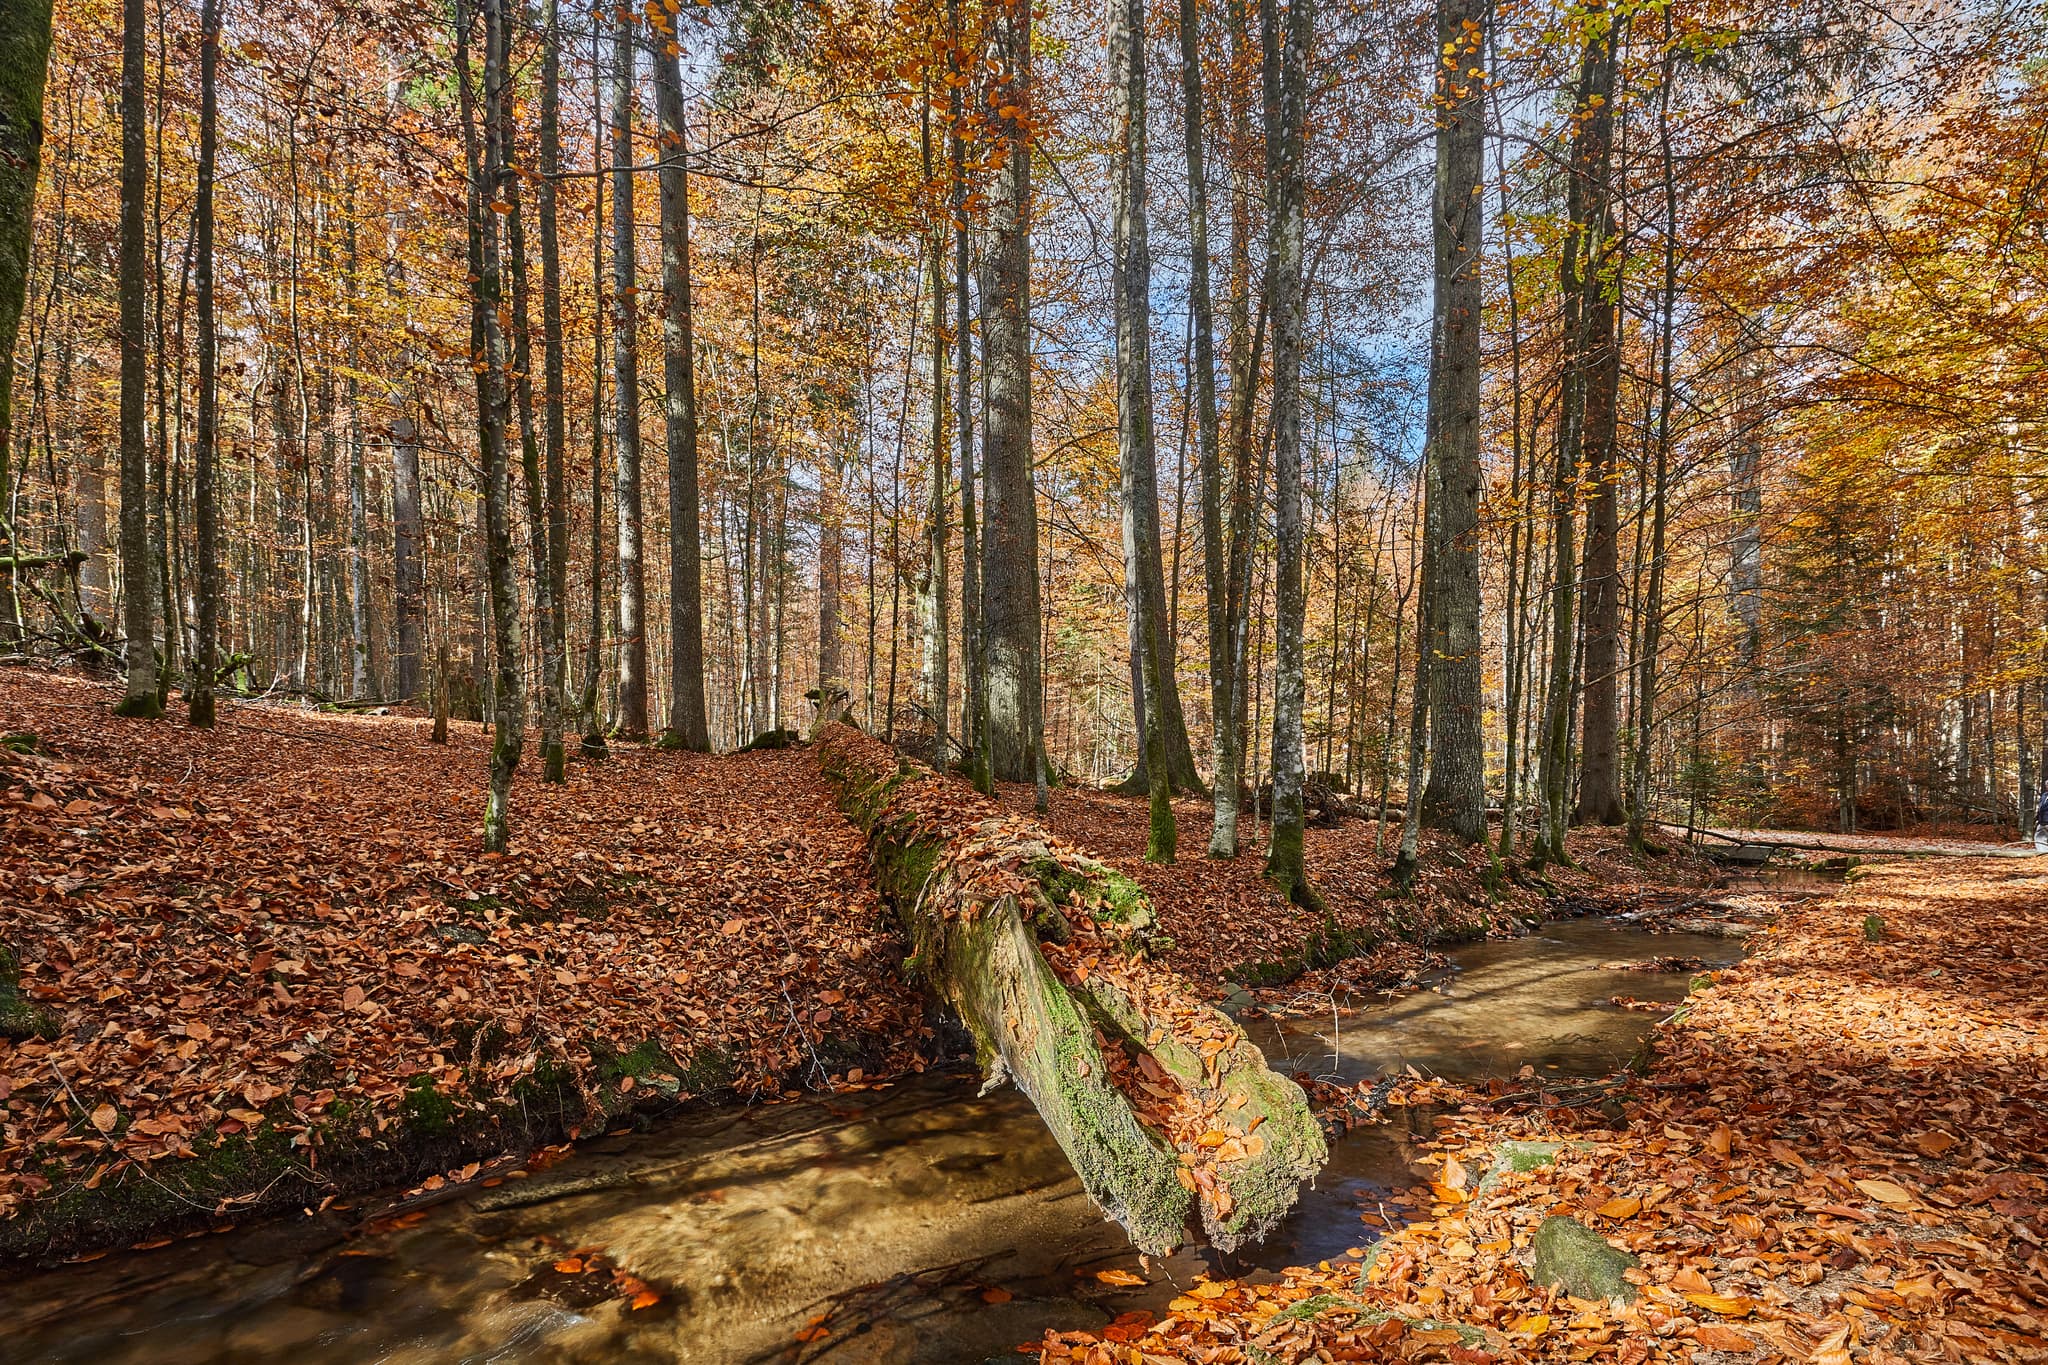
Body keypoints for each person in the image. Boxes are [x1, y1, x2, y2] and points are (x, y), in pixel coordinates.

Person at [2036, 787, 2048, 852]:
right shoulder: (2044, 795)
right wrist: (2038, 819)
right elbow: (2040, 808)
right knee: (2039, 837)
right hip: (2042, 821)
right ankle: (2043, 852)